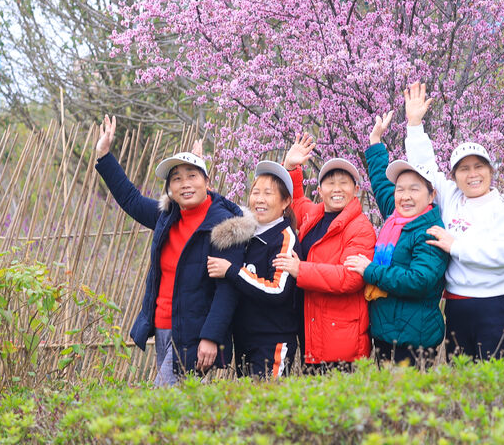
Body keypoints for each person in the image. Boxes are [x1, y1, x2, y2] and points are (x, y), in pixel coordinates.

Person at [94, 115, 244, 385]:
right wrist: (104, 155)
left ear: (207, 182)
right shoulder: (167, 217)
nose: (185, 184)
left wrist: (211, 337)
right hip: (163, 328)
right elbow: (130, 199)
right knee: (182, 406)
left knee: (160, 400)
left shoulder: (223, 225)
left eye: (192, 176)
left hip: (195, 334)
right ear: (170, 189)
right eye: (176, 179)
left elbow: (227, 289)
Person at [402, 82, 504, 362]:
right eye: (464, 169)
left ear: (490, 171)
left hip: (497, 306)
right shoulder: (451, 197)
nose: (472, 175)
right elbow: (425, 168)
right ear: (454, 176)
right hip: (458, 308)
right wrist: (414, 124)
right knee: (462, 382)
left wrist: (456, 246)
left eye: (479, 167)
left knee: (496, 382)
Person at [342, 111, 449, 367]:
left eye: (414, 189)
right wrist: (375, 142)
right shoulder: (396, 217)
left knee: (408, 394)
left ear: (431, 195)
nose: (405, 196)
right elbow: (381, 183)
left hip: (415, 339)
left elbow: (419, 281)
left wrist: (371, 271)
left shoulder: (430, 231)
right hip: (384, 333)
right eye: (400, 189)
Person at [272, 134, 376, 371]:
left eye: (344, 183)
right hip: (313, 327)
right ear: (319, 190)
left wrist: (301, 270)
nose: (337, 189)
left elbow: (351, 278)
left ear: (356, 189)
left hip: (341, 337)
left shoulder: (360, 228)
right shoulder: (314, 215)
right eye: (330, 183)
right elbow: (295, 201)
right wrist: (291, 167)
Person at [208, 158, 300, 378]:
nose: (259, 199)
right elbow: (220, 207)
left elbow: (277, 289)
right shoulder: (247, 232)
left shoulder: (284, 238)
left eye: (268, 193)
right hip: (244, 340)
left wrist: (232, 271)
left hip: (272, 342)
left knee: (268, 399)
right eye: (255, 192)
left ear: (286, 201)